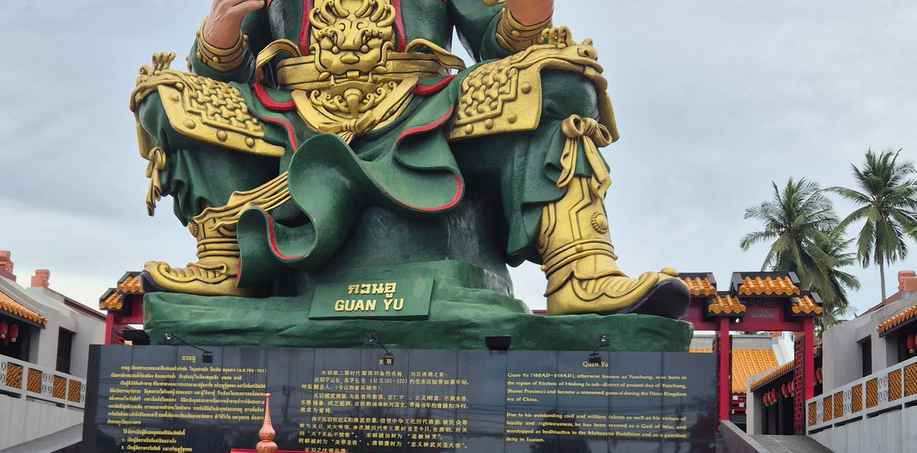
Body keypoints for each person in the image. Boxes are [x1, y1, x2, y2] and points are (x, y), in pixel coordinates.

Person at [132, 0, 689, 318]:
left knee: (562, 80)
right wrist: (220, 37)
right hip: (290, 117)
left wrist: (526, 12)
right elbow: (216, 75)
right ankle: (229, 261)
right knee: (166, 99)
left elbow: (500, 40)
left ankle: (578, 267)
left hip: (425, 107)